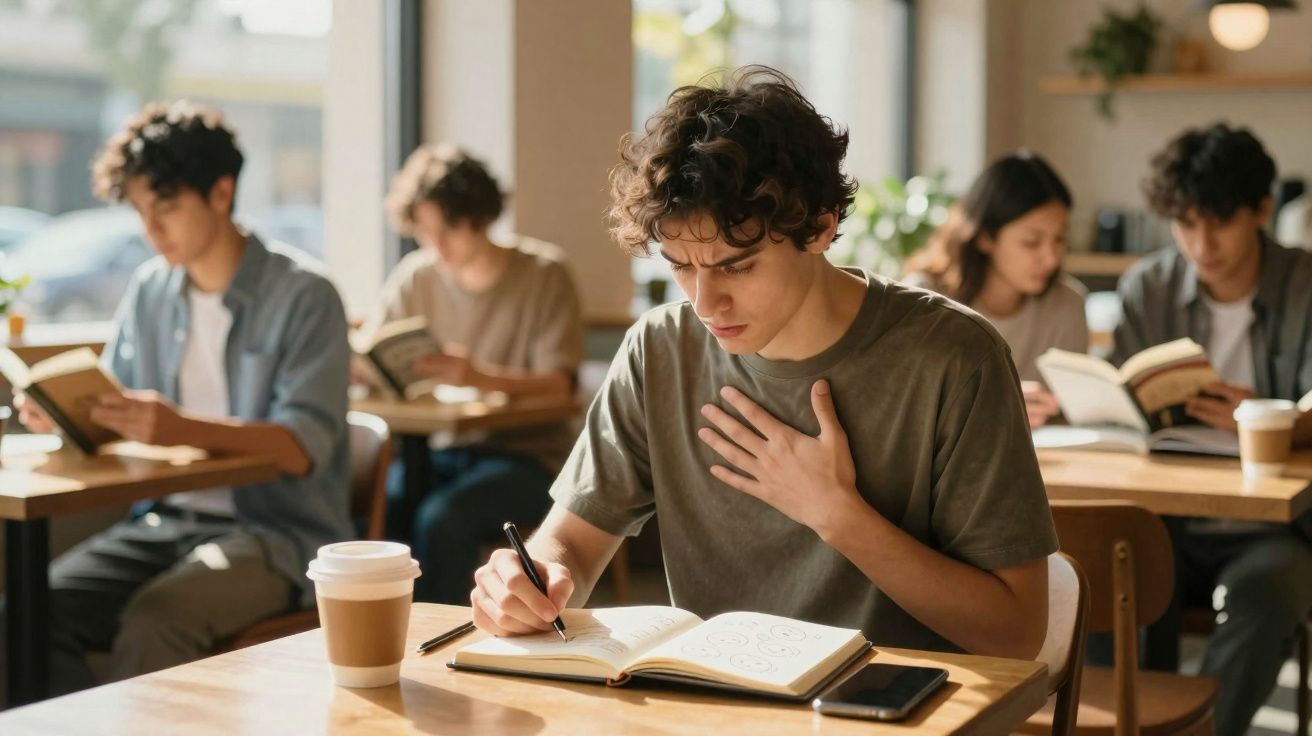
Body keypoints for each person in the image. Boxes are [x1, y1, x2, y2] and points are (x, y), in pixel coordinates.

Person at [466, 67, 1057, 659]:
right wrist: (533, 580)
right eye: (680, 266)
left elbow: (1014, 633)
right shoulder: (661, 350)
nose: (704, 302)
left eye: (737, 265)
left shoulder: (955, 357)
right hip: (711, 704)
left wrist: (839, 517)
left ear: (821, 227)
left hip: (893, 712)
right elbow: (571, 543)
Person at [11, 101, 352, 695]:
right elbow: (118, 411)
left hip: (275, 535)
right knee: (29, 613)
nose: (150, 230)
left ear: (222, 193)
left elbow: (302, 448)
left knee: (155, 620)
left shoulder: (305, 295)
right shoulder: (150, 291)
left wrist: (179, 428)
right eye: (141, 211)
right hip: (163, 521)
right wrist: (67, 416)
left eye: (166, 208)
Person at [1111, 122, 1312, 736]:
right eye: (1185, 222)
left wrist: (1272, 416)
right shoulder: (1149, 287)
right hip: (1164, 513)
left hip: (1274, 526)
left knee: (1267, 592)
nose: (1202, 243)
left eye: (1218, 222)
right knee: (1110, 575)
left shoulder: (1306, 282)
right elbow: (1122, 403)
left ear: (1261, 210)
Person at [368, 144, 583, 604]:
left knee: (441, 517)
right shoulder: (417, 276)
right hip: (442, 450)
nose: (437, 245)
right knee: (381, 503)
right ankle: (388, 633)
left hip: (529, 458)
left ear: (481, 217)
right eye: (425, 232)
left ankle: (440, 636)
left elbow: (560, 386)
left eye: (449, 229)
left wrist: (477, 375)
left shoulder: (544, 274)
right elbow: (370, 348)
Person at [904, 152, 1088, 429]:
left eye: (1060, 239)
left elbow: (1072, 416)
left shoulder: (1067, 305)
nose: (1051, 258)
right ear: (985, 237)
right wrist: (997, 408)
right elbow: (905, 413)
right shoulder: (923, 303)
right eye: (1031, 242)